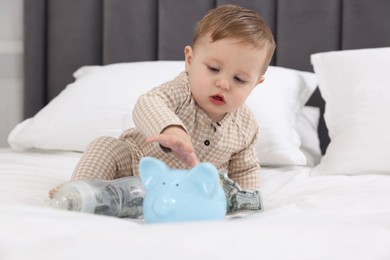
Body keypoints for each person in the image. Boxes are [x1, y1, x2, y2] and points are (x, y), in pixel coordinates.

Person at [49, 4, 276, 202]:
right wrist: (172, 130)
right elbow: (148, 104)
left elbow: (245, 170)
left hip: (185, 189)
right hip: (133, 166)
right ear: (190, 60)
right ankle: (81, 191)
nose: (224, 83)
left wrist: (248, 199)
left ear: (256, 83)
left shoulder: (245, 126)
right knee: (104, 146)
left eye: (239, 79)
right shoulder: (181, 90)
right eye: (214, 69)